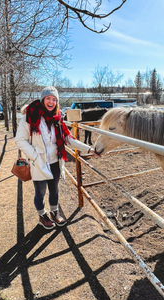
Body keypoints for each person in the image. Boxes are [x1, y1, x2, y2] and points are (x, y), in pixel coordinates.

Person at [15, 86, 100, 229]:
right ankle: (42, 216)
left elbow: (68, 139)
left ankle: (54, 212)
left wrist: (88, 149)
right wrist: (34, 156)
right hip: (39, 162)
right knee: (40, 192)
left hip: (55, 161)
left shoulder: (58, 119)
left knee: (54, 190)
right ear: (42, 100)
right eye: (48, 98)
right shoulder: (29, 118)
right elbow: (19, 140)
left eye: (54, 99)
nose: (51, 102)